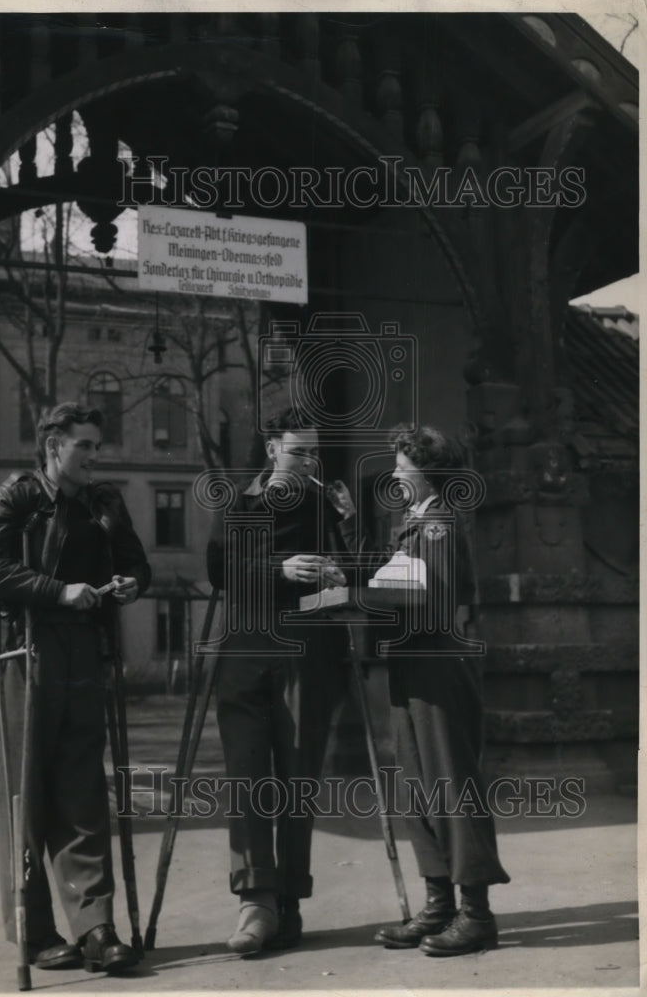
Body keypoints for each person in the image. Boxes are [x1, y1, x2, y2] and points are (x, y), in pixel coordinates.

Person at [0, 402, 152, 974]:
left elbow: (138, 566)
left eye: (98, 445)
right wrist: (57, 590)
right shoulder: (17, 498)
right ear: (52, 447)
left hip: (83, 657)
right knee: (27, 799)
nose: (96, 455)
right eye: (84, 446)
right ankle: (36, 931)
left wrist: (127, 585)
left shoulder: (104, 502)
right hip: (24, 650)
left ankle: (96, 927)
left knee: (83, 793)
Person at [332, 424, 509, 957]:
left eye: (403, 468)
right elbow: (389, 579)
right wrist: (346, 532)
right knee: (419, 787)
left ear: (428, 475)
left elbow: (424, 602)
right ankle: (439, 907)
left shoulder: (438, 527)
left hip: (437, 664)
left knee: (450, 785)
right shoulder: (413, 525)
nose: (395, 475)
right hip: (412, 663)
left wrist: (353, 596)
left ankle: (476, 915)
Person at [206, 408, 351, 955]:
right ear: (271, 450)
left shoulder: (325, 505)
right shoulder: (238, 503)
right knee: (247, 777)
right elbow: (219, 571)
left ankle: (288, 901)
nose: (309, 462)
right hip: (244, 652)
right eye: (299, 452)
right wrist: (279, 571)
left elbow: (354, 578)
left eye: (315, 453)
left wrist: (340, 569)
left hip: (307, 652)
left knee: (297, 777)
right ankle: (255, 900)